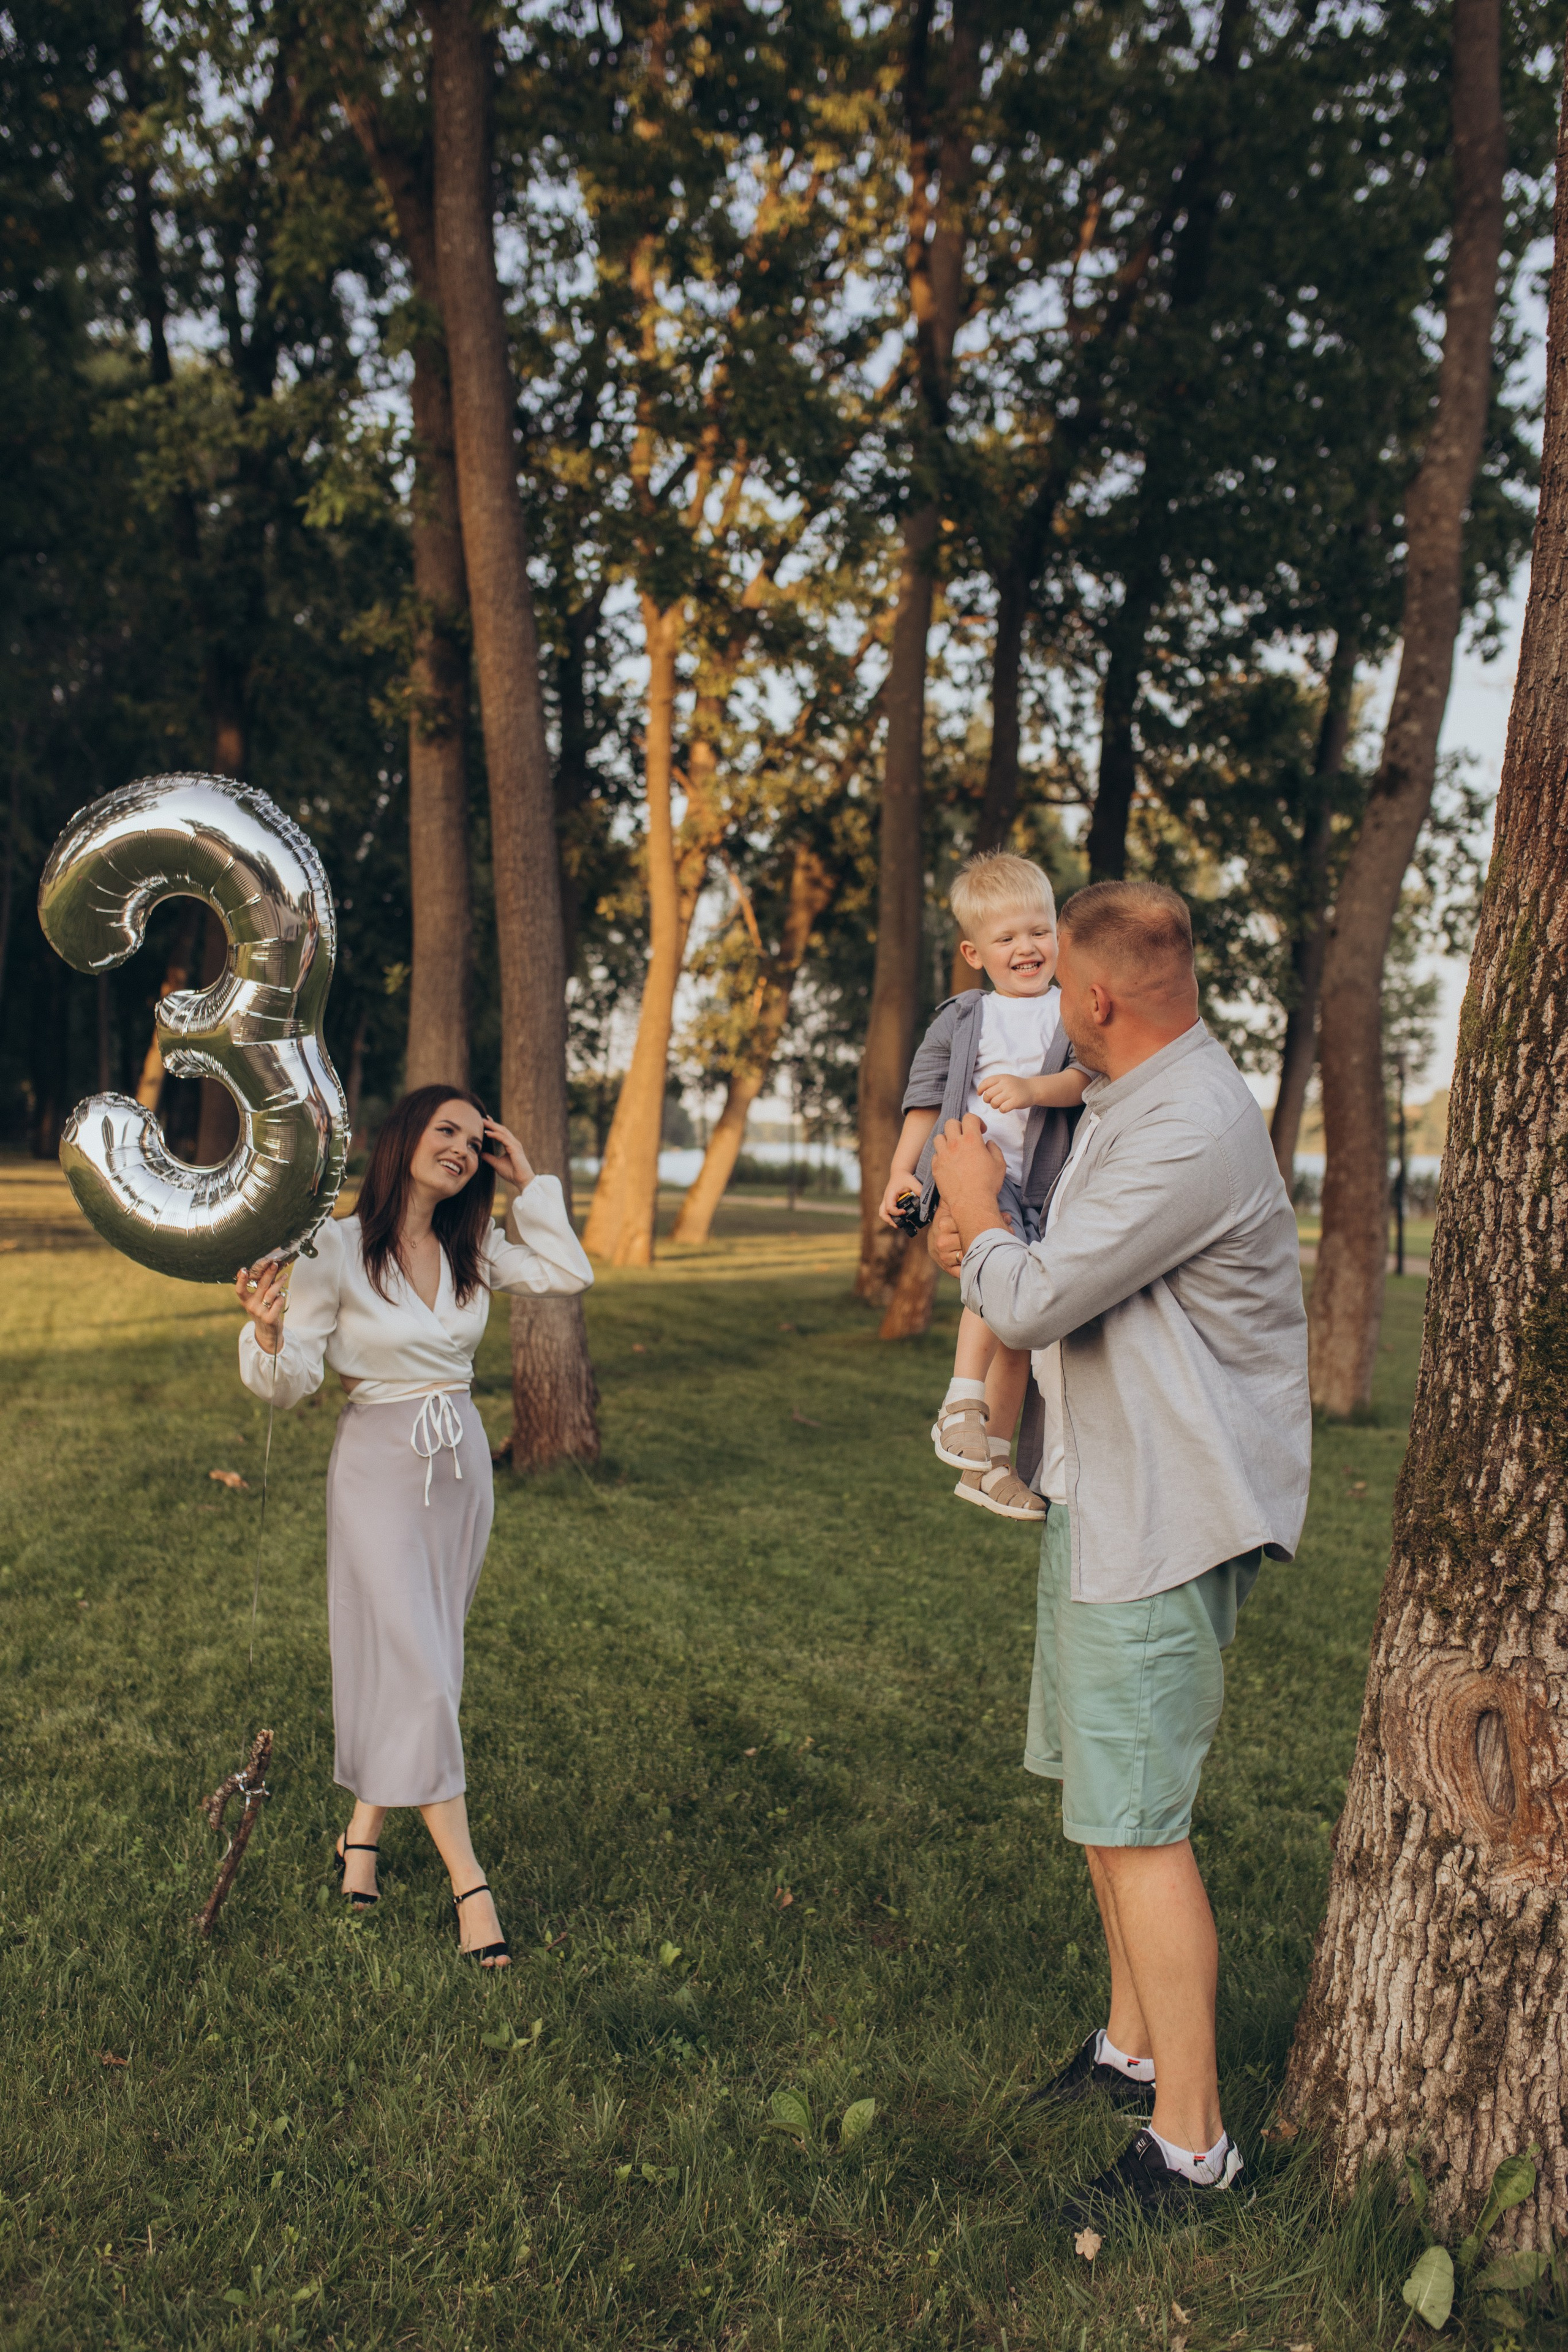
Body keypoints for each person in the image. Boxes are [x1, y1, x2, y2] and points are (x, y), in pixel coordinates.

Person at [928, 880, 1310, 2230]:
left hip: (1168, 1511)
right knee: (1104, 1803)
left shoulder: (1186, 1127)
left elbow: (1030, 1293)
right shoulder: (1134, 1094)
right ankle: (1130, 2048)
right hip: (1107, 1486)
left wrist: (967, 1197)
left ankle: (1192, 2150)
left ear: (1090, 998)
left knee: (1139, 1825)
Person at [235, 1084, 593, 1969]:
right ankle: (471, 1886)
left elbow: (568, 1273)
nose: (465, 1149)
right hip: (378, 1468)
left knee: (430, 1657)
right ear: (404, 1139)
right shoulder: (335, 1248)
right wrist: (270, 1336)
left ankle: (362, 1836)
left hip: (460, 1468)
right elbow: (292, 1384)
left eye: (477, 1140)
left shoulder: (473, 1248)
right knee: (423, 1670)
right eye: (448, 1131)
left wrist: (529, 1179)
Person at [878, 851, 1089, 1520]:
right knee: (992, 1288)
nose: (1026, 947)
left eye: (1037, 931)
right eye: (1006, 938)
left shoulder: (1073, 1011)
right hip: (973, 1171)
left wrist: (1033, 1089)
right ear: (975, 952)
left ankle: (987, 1462)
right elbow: (925, 1096)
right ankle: (960, 1401)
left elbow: (1086, 1077)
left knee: (1021, 1327)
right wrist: (900, 1171)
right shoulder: (965, 1018)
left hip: (1046, 1193)